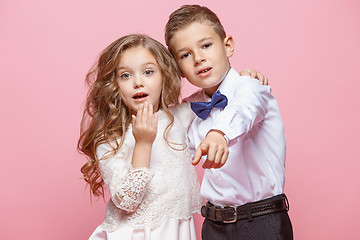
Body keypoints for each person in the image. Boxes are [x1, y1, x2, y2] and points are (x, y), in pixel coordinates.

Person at [78, 33, 266, 239]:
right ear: (114, 85)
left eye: (148, 72)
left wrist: (242, 80)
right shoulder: (110, 139)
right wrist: (142, 144)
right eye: (125, 75)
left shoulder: (179, 116)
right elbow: (126, 202)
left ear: (164, 76)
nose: (138, 82)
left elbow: (217, 97)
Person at [165, 4, 293, 240]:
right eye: (185, 54)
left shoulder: (251, 86)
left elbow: (244, 108)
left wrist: (219, 133)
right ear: (179, 69)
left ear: (228, 46)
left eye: (205, 45)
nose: (198, 58)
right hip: (214, 226)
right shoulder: (191, 109)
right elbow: (166, 137)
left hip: (262, 221)